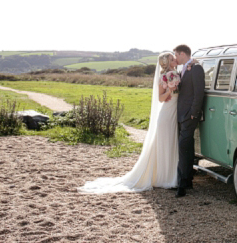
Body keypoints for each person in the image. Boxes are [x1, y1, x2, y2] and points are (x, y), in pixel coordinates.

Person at [77, 52, 181, 193]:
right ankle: (165, 178)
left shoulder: (176, 73)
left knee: (171, 143)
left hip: (175, 112)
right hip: (167, 114)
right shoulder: (163, 77)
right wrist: (170, 90)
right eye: (171, 58)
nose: (175, 59)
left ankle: (171, 175)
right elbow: (161, 98)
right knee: (166, 143)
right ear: (167, 62)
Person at [174, 44, 205, 197]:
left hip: (188, 115)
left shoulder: (196, 68)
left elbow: (199, 92)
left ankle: (181, 184)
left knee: (183, 147)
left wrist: (193, 113)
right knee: (187, 147)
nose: (175, 58)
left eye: (176, 55)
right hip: (181, 113)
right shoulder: (185, 68)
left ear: (182, 54)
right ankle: (188, 180)